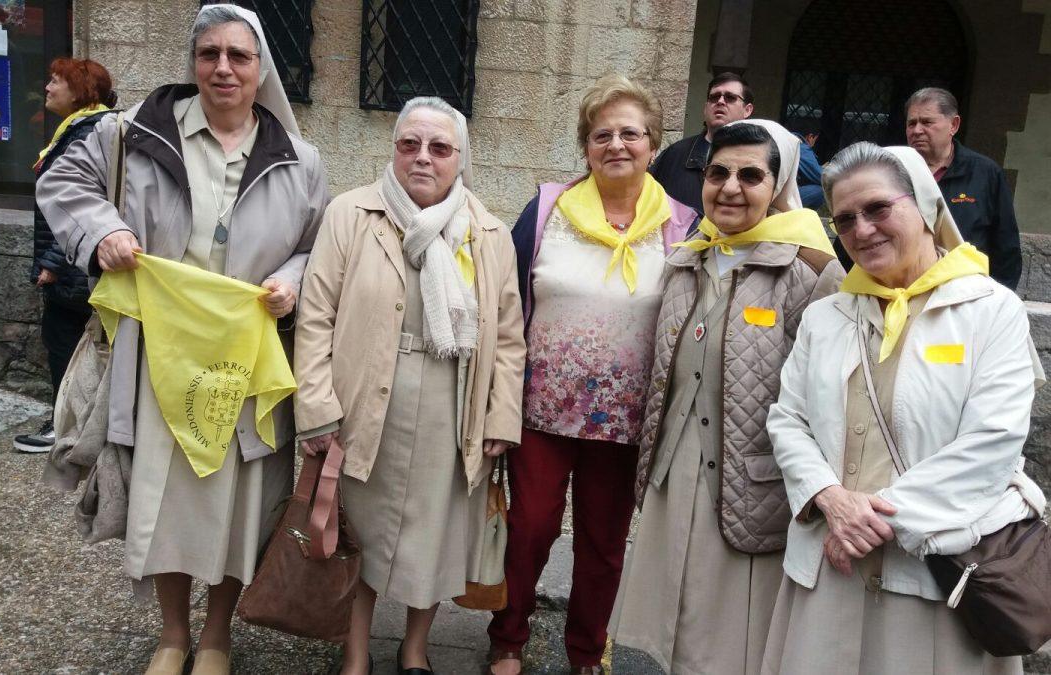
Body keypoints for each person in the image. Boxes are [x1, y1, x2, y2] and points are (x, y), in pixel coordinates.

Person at [36, 6, 329, 674]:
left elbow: (318, 249)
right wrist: (102, 230)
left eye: (238, 56)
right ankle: (173, 634)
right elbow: (61, 180)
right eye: (209, 54)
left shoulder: (301, 160)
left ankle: (218, 635)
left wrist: (289, 280)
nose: (222, 67)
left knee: (236, 506)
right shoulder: (131, 133)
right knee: (166, 499)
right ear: (192, 61)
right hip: (157, 355)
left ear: (260, 71)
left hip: (244, 361)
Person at [763, 142, 1045, 674]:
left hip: (936, 574)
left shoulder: (992, 312)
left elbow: (993, 441)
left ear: (927, 206)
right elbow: (788, 418)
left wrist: (868, 520)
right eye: (845, 219)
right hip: (833, 568)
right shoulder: (827, 316)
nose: (862, 230)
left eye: (878, 209)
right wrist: (829, 498)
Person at [293, 95, 526, 675]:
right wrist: (317, 408)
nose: (423, 158)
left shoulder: (488, 231)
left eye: (439, 147)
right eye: (409, 144)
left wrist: (501, 417)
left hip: (454, 402)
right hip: (367, 400)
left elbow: (509, 337)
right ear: (394, 150)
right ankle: (354, 655)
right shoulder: (351, 213)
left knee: (434, 536)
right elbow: (315, 315)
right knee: (360, 535)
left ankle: (416, 648)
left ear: (460, 158)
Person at [608, 120, 844, 675]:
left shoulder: (812, 271)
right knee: (677, 612)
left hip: (751, 474)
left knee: (732, 631)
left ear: (778, 185)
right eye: (718, 172)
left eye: (750, 175)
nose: (730, 187)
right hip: (679, 465)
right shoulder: (691, 258)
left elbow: (829, 395)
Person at [487, 74, 698, 675]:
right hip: (542, 411)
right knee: (528, 531)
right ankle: (508, 639)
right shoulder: (548, 209)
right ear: (585, 146)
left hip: (629, 420)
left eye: (630, 134)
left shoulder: (680, 223)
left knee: (603, 548)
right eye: (602, 134)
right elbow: (505, 295)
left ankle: (586, 650)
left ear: (653, 144)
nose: (617, 145)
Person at [13, 57, 115, 454]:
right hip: (75, 263)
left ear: (80, 90)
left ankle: (64, 428)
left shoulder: (87, 133)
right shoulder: (77, 129)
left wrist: (53, 262)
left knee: (64, 341)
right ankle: (78, 425)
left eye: (57, 80)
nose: (49, 87)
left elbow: (83, 201)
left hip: (72, 267)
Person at [905, 87, 1021, 288]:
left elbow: (1006, 248)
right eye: (911, 123)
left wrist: (997, 302)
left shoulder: (985, 174)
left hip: (963, 293)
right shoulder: (891, 171)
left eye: (927, 122)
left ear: (954, 125)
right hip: (899, 291)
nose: (916, 130)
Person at [649, 72, 753, 214]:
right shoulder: (675, 154)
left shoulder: (757, 159)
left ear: (747, 110)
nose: (720, 101)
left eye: (730, 97)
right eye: (714, 97)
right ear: (705, 108)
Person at [787, 118, 825, 210]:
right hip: (783, 198)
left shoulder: (788, 141)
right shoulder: (800, 147)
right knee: (822, 190)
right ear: (810, 137)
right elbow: (820, 177)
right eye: (815, 140)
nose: (813, 143)